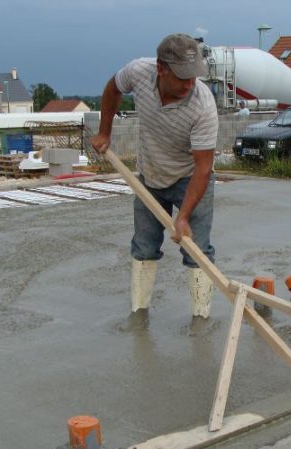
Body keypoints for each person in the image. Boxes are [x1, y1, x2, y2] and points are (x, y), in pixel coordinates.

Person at [90, 33, 218, 321]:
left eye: (194, 76)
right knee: (144, 246)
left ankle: (201, 318)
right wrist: (104, 131)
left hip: (190, 178)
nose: (189, 84)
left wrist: (182, 216)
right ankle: (139, 313)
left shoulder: (203, 105)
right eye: (183, 77)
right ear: (161, 68)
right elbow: (113, 89)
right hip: (150, 175)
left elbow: (203, 168)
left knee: (197, 250)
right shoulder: (139, 72)